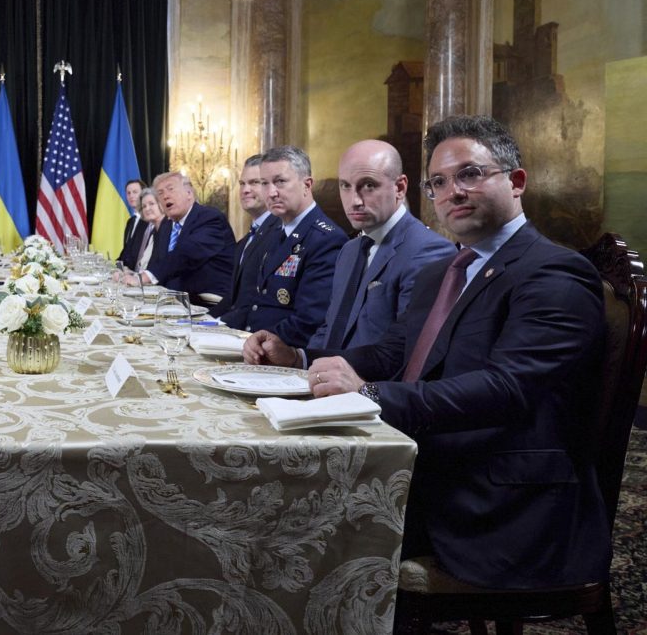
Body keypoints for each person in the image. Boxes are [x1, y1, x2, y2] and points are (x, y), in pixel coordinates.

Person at [246, 115, 610, 590]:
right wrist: (297, 357)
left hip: (499, 503)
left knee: (298, 523)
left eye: (470, 174)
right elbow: (396, 348)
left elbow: (508, 388)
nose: (451, 191)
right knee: (270, 501)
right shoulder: (450, 268)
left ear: (516, 182)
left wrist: (369, 394)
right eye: (438, 182)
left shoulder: (555, 272)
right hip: (439, 463)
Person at [302, 139, 454, 349]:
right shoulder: (350, 249)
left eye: (368, 186)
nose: (354, 200)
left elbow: (406, 350)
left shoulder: (428, 251)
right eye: (345, 186)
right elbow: (331, 328)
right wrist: (298, 359)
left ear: (400, 188)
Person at [219, 145, 347, 345]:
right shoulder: (275, 232)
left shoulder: (326, 239)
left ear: (307, 185)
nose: (271, 193)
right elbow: (255, 304)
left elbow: (310, 321)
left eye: (280, 182)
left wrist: (256, 343)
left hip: (285, 355)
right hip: (253, 344)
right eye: (264, 183)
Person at [120, 172, 235, 305]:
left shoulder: (209, 218)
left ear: (189, 193)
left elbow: (186, 253)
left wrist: (144, 278)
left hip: (208, 302)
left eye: (171, 189)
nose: (165, 196)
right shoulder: (168, 226)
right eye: (160, 193)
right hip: (173, 301)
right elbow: (160, 262)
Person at [212, 154, 280, 318]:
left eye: (254, 182)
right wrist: (202, 322)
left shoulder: (280, 232)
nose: (245, 190)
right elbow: (233, 297)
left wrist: (221, 323)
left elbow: (261, 300)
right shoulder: (244, 241)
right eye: (242, 183)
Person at [119, 187, 165, 272]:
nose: (147, 209)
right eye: (144, 206)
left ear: (161, 204)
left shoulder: (169, 229)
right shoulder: (146, 226)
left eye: (151, 204)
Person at [119, 178, 148, 261]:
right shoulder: (130, 222)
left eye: (135, 192)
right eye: (128, 193)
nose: (131, 196)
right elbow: (126, 251)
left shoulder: (149, 221)